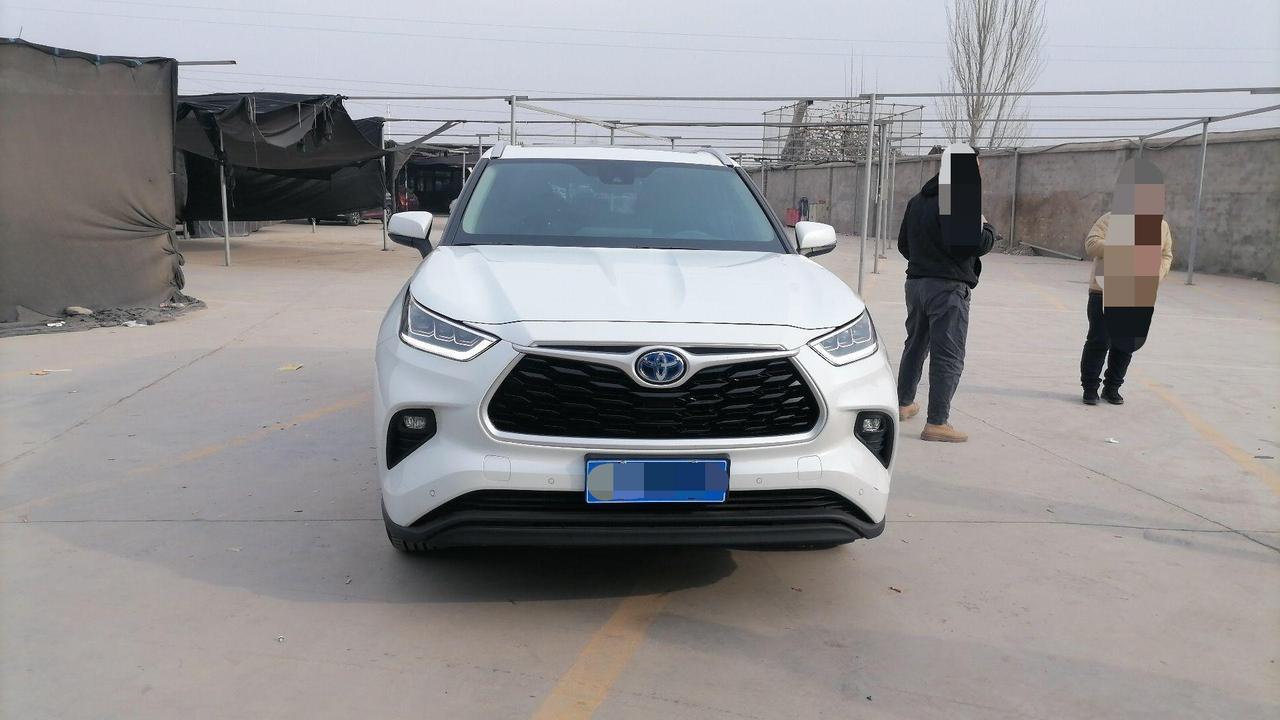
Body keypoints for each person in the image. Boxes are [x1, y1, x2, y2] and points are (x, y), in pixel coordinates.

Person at [896, 146, 997, 443]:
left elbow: (903, 245)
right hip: (948, 289)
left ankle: (903, 403)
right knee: (948, 355)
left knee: (915, 345)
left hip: (916, 285)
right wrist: (988, 228)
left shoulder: (918, 200)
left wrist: (925, 262)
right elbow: (973, 244)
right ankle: (937, 422)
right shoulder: (959, 197)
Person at [1080, 208, 1173, 405]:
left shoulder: (1161, 226)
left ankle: (1112, 388)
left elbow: (1166, 255)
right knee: (1099, 341)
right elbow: (1091, 244)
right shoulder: (1112, 218)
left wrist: (1156, 274)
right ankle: (1090, 388)